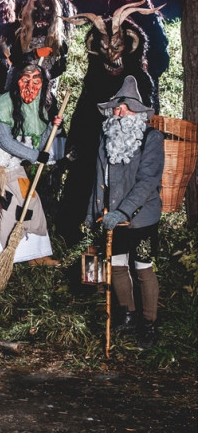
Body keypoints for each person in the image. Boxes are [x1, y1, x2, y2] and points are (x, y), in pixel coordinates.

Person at [86, 75, 164, 348]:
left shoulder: (151, 138)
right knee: (117, 266)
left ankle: (149, 324)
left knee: (143, 268)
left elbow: (147, 182)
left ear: (138, 113)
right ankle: (129, 316)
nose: (119, 114)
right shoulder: (106, 136)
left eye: (126, 109)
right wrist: (92, 213)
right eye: (117, 109)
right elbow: (99, 177)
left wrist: (124, 212)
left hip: (142, 217)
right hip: (112, 218)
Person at [0, 60, 64, 265]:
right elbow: (6, 142)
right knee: (5, 208)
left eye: (36, 81)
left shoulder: (38, 108)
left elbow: (40, 144)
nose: (30, 86)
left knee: (31, 201)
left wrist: (52, 126)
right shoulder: (1, 104)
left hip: (12, 167)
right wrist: (35, 156)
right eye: (25, 79)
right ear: (16, 80)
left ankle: (35, 255)